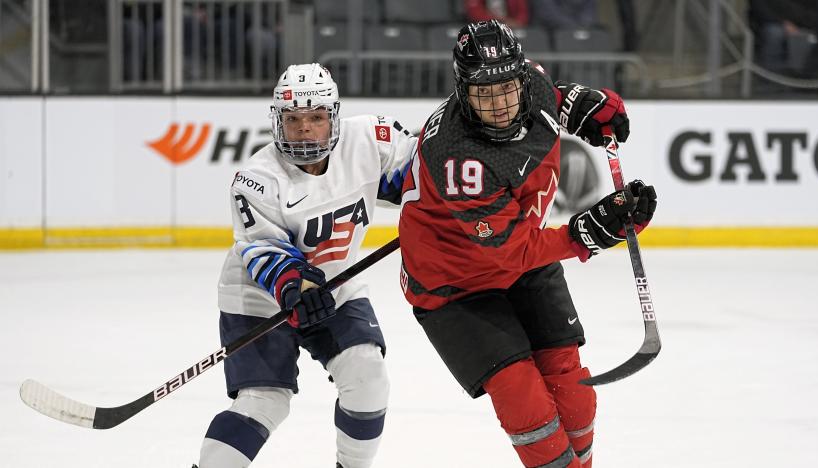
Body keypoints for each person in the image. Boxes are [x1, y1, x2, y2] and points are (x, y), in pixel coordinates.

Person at [397, 20, 657, 468]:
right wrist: (589, 231)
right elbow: (510, 250)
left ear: (520, 77)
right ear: (463, 91)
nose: (498, 104)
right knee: (524, 399)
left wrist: (589, 107)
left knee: (571, 387)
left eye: (506, 88)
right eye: (483, 93)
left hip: (523, 261)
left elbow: (556, 97)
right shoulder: (460, 159)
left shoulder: (530, 84)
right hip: (454, 285)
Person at [195, 63, 416, 468]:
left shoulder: (369, 138)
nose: (304, 129)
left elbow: (423, 173)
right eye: (293, 119)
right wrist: (296, 285)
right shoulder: (257, 180)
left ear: (333, 115)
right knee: (264, 402)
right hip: (259, 296)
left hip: (337, 284)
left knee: (368, 376)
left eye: (315, 118)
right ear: (278, 121)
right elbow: (264, 249)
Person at [465, 0, 529, 29]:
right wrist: (499, 20)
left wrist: (517, 22)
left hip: (510, 29)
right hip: (483, 28)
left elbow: (523, 13)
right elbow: (475, 13)